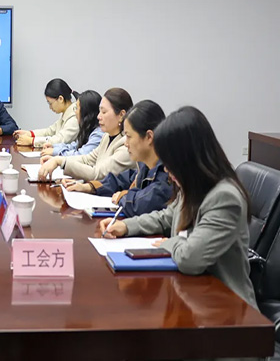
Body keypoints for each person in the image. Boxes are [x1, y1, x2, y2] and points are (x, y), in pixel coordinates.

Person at [100, 106, 256, 306]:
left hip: (227, 308)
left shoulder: (225, 197)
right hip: (193, 295)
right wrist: (126, 226)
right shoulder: (193, 186)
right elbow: (166, 216)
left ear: (188, 157)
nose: (166, 169)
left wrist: (169, 243)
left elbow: (190, 258)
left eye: (171, 161)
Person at [66, 100, 173, 217]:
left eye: (129, 136)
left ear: (149, 137)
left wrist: (124, 196)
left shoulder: (168, 174)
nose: (126, 143)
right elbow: (122, 180)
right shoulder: (145, 165)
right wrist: (90, 187)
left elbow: (140, 204)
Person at [38, 87, 134, 181]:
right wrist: (58, 159)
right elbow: (87, 159)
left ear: (121, 115)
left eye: (104, 112)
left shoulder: (126, 145)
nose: (99, 116)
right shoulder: (107, 136)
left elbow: (97, 174)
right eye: (99, 111)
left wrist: (61, 162)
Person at [39, 90, 104, 159]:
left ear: (85, 113)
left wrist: (55, 151)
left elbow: (80, 155)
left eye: (77, 108)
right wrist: (54, 147)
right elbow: (75, 146)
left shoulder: (98, 134)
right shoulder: (88, 129)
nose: (75, 112)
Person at [14, 79, 79, 146]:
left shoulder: (75, 117)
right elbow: (50, 131)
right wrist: (30, 134)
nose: (50, 107)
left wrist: (32, 141)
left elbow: (60, 140)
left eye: (50, 103)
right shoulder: (66, 112)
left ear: (60, 99)